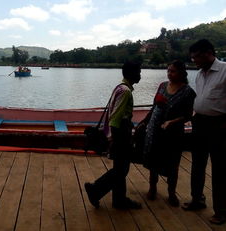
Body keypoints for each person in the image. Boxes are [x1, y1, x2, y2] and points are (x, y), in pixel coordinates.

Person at [84, 61, 142, 210]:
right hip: (120, 135)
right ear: (131, 74)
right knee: (122, 169)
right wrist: (113, 140)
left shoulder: (120, 87)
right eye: (138, 72)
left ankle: (119, 200)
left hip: (119, 133)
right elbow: (115, 118)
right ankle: (95, 189)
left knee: (120, 167)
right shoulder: (126, 91)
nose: (140, 75)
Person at [182, 39, 226, 225]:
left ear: (209, 53)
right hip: (199, 122)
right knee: (197, 164)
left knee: (220, 169)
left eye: (196, 56)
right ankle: (197, 199)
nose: (194, 61)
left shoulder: (225, 70)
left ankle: (222, 212)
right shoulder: (200, 74)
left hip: (220, 125)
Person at [142, 60, 196, 207]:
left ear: (182, 73)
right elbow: (154, 107)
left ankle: (171, 193)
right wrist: (145, 122)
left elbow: (188, 115)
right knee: (153, 161)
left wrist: (172, 122)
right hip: (156, 130)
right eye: (168, 71)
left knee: (172, 164)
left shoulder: (188, 92)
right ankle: (152, 188)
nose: (169, 74)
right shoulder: (162, 86)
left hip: (173, 134)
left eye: (173, 71)